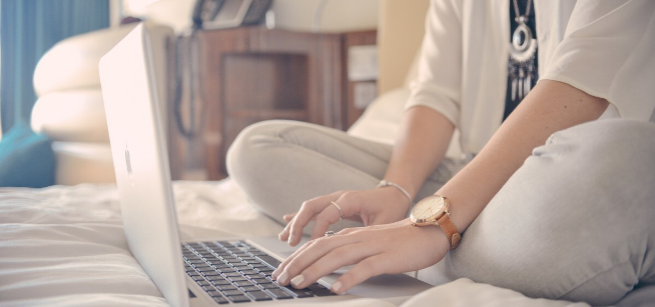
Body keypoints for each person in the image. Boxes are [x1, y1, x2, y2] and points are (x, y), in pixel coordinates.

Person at [227, 0, 655, 305]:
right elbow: (435, 93)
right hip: (472, 171)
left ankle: (421, 244)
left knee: (625, 154)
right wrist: (397, 189)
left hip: (565, 179)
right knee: (260, 148)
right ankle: (432, 242)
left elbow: (581, 81)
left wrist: (431, 225)